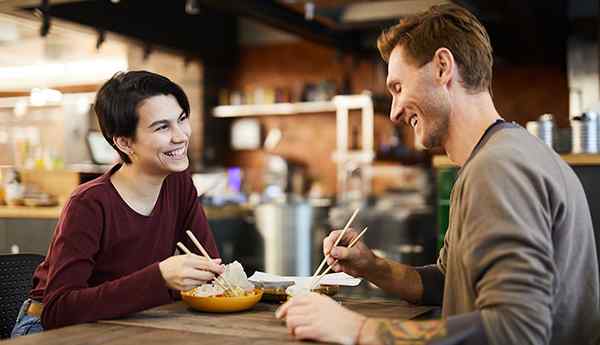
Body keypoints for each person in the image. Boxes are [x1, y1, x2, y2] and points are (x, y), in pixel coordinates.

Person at [276, 4, 600, 345]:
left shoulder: (498, 168)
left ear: (443, 67)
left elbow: (515, 329)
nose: (395, 111)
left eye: (398, 87)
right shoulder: (496, 157)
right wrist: (372, 266)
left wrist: (359, 330)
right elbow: (447, 281)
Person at [11, 71, 224, 337]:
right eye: (162, 127)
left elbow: (211, 271)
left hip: (130, 321)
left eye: (181, 119)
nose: (180, 136)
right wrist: (159, 278)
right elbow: (59, 310)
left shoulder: (179, 184)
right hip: (47, 328)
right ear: (124, 142)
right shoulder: (88, 203)